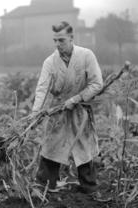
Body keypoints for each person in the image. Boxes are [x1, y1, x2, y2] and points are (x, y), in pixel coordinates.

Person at [31, 21, 103, 194]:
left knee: (84, 146)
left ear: (71, 38)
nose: (57, 44)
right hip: (58, 110)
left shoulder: (86, 55)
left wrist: (77, 98)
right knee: (51, 146)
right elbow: (42, 89)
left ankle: (89, 187)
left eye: (61, 40)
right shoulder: (50, 62)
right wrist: (35, 113)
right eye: (55, 40)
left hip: (80, 110)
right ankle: (44, 186)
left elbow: (97, 83)